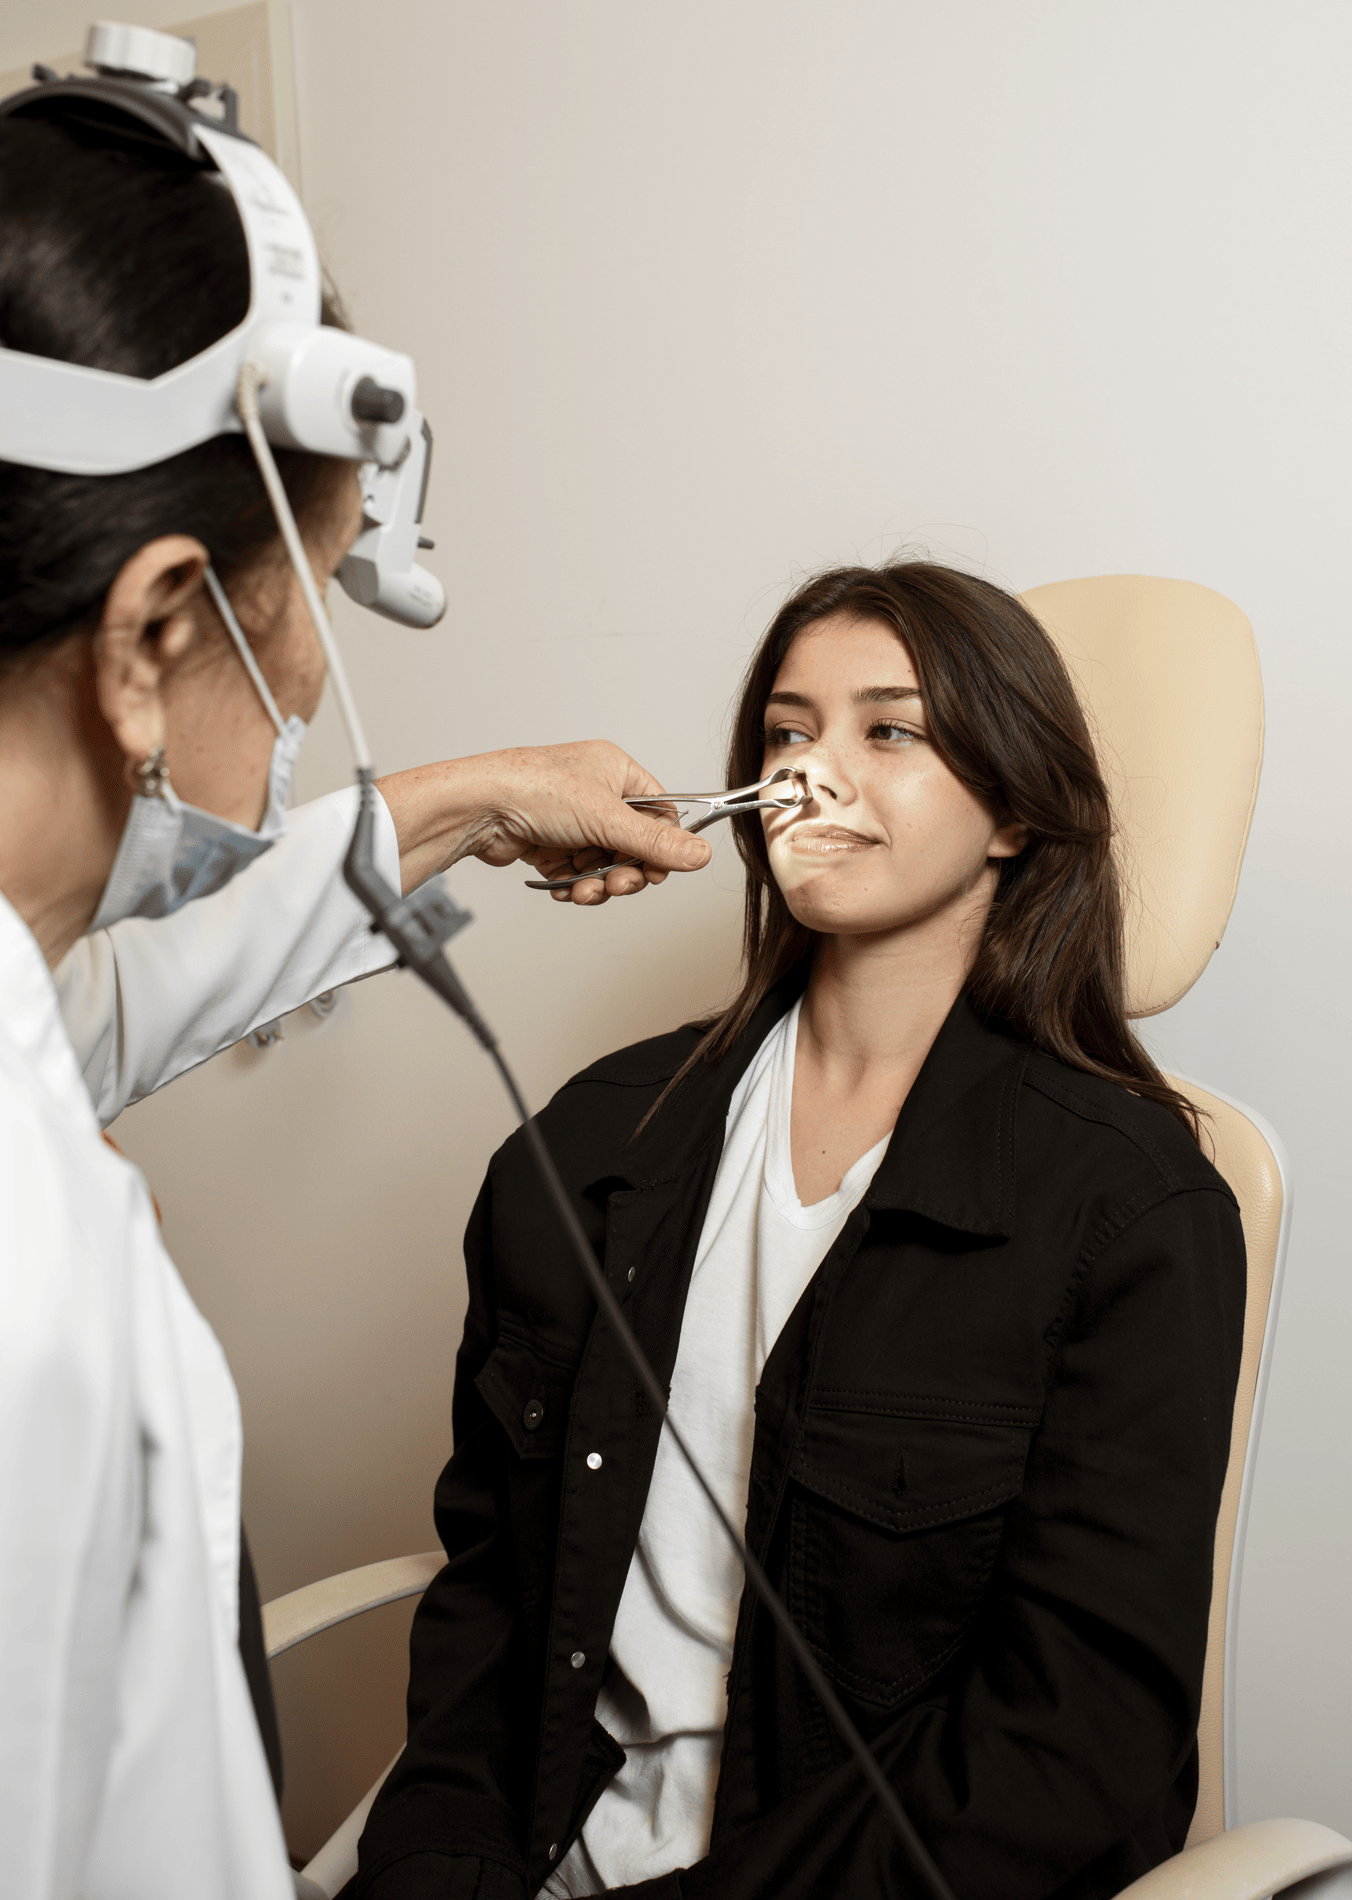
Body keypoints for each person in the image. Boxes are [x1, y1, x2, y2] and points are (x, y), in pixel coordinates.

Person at [0, 111, 714, 1900]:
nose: (312, 681)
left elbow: (96, 1006)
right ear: (155, 630)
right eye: (317, 605)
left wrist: (473, 797)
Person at [353, 562, 1248, 1900]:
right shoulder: (589, 1145)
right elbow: (494, 1596)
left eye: (889, 731)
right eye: (788, 732)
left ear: (1012, 813)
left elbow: (1071, 1739)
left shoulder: (1132, 1211)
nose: (813, 774)